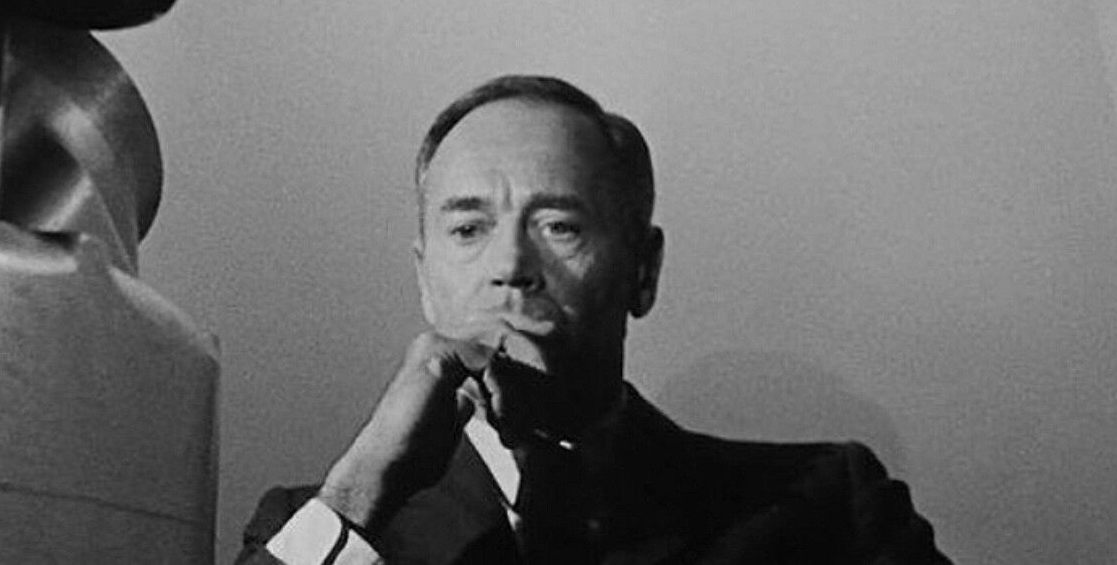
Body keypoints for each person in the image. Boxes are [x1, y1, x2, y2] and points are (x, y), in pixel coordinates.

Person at [236, 75, 947, 564]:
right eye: (468, 230)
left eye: (560, 226)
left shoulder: (828, 510)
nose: (510, 264)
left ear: (643, 270)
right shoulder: (325, 525)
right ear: (425, 280)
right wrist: (361, 493)